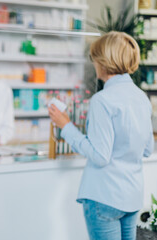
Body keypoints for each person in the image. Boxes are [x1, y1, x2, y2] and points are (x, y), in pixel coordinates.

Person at [48, 31, 154, 240]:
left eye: (94, 58)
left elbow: (100, 156)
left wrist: (66, 125)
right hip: (131, 196)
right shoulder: (141, 98)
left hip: (104, 197)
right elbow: (148, 149)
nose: (93, 63)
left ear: (104, 61)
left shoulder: (102, 100)